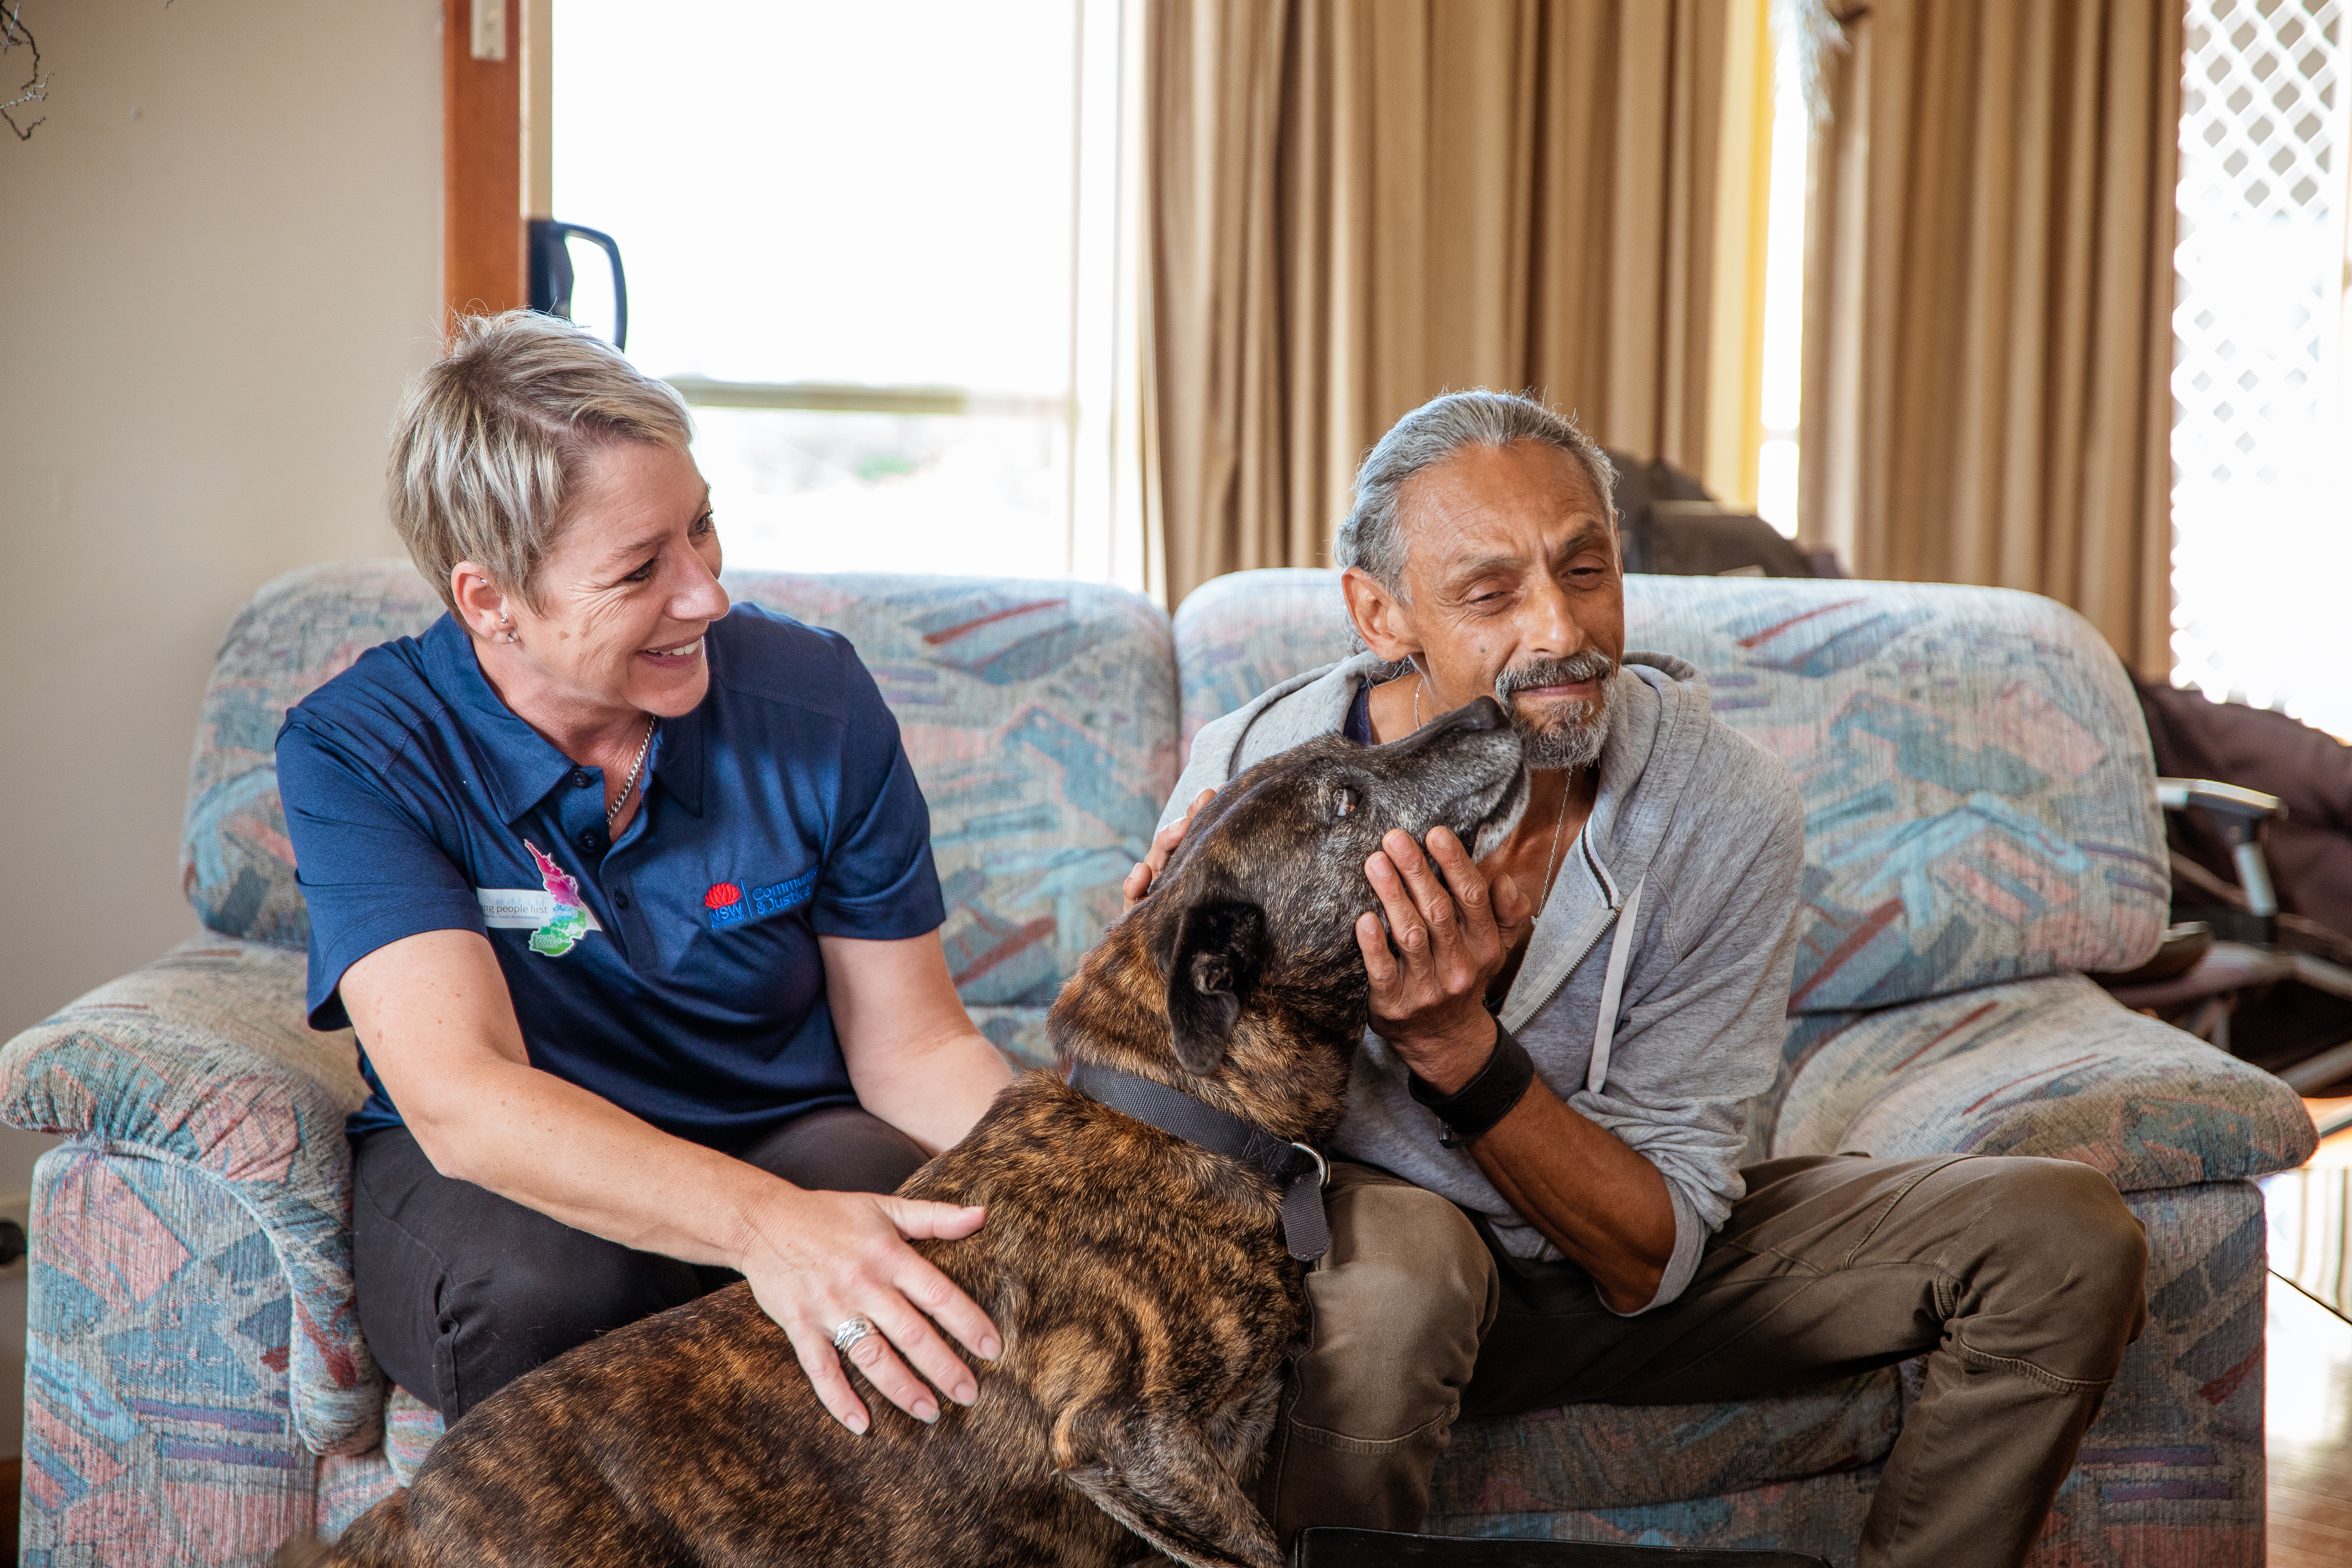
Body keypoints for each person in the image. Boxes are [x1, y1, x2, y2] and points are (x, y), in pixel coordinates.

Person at [1123, 391, 2150, 1568]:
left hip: (1611, 1256)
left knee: (2062, 1237)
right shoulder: (1266, 774)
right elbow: (1169, 1127)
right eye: (1492, 593)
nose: (1562, 631)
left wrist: (1459, 1050)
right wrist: (1162, 982)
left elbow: (1651, 1252)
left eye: (1586, 570)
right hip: (1368, 1274)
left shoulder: (1723, 803)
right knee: (1410, 1272)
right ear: (1382, 614)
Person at [277, 312, 1012, 1437]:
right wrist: (768, 1229)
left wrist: (1107, 1180)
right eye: (639, 570)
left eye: (703, 529)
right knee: (538, 1287)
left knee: (917, 1219)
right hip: (516, 1176)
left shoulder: (814, 701)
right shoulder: (361, 750)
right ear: (490, 602)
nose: (706, 594)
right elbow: (465, 1098)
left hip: (782, 1122)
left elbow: (913, 1046)